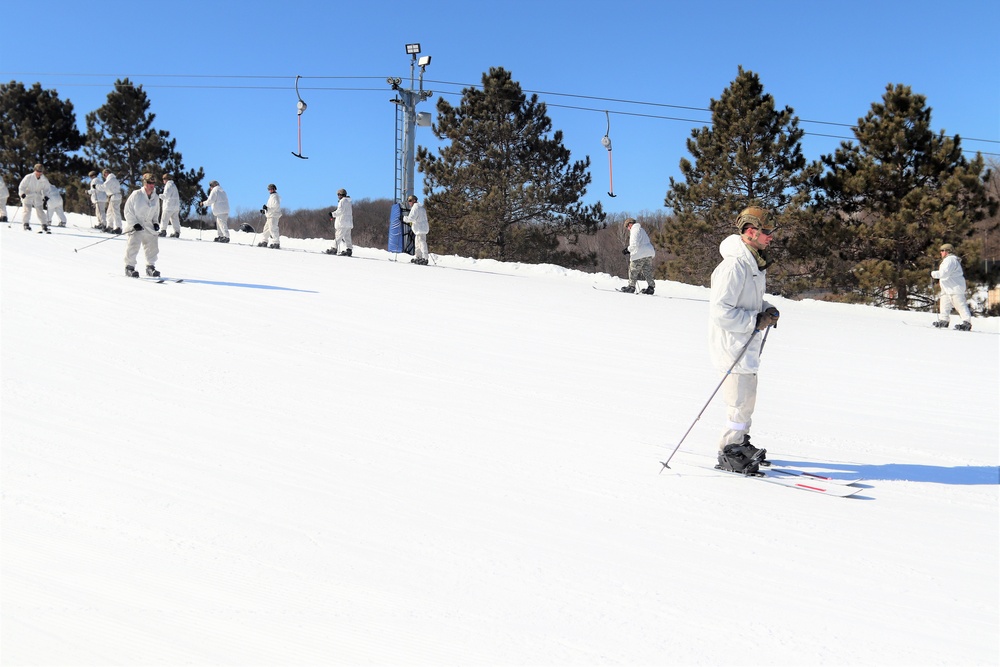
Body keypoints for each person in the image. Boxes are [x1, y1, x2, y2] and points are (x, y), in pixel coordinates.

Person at [709, 206, 781, 474]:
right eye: (767, 232)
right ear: (752, 232)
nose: (770, 237)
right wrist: (755, 321)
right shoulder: (734, 266)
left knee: (746, 401)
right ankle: (729, 450)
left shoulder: (752, 263)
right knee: (738, 403)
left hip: (745, 345)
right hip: (732, 347)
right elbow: (721, 312)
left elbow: (748, 301)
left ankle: (741, 442)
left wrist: (766, 309)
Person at [123, 173, 161, 278]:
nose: (151, 185)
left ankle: (150, 267)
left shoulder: (156, 197)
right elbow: (128, 210)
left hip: (149, 225)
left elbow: (156, 213)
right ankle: (129, 267)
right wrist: (134, 223)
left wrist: (155, 223)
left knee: (152, 245)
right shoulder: (137, 194)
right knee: (133, 244)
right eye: (149, 183)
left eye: (153, 183)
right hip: (136, 224)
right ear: (145, 183)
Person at [931, 243, 972, 331]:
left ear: (947, 251)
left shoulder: (950, 260)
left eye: (942, 251)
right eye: (941, 251)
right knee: (944, 305)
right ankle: (944, 320)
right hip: (947, 288)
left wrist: (933, 274)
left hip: (955, 288)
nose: (941, 253)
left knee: (960, 305)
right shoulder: (948, 260)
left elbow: (945, 273)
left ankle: (967, 322)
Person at [620, 218, 656, 294]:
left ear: (630, 224)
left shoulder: (634, 231)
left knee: (633, 270)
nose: (628, 229)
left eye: (627, 227)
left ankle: (631, 287)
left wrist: (627, 250)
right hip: (649, 253)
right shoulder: (641, 230)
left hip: (639, 254)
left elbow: (634, 245)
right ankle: (651, 287)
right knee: (647, 271)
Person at [18, 164, 52, 232]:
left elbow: (47, 189)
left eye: (41, 171)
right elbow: (22, 186)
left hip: (38, 196)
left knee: (40, 211)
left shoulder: (44, 179)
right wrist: (22, 193)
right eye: (38, 171)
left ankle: (44, 225)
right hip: (28, 195)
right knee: (27, 210)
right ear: (35, 170)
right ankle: (26, 224)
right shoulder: (29, 177)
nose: (39, 173)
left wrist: (46, 196)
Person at [325, 188, 353, 256]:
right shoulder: (349, 201)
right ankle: (349, 250)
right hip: (348, 222)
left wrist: (332, 214)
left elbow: (340, 211)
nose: (338, 196)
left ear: (340, 194)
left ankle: (334, 249)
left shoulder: (342, 201)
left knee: (338, 236)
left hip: (342, 222)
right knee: (347, 237)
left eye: (338, 194)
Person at [403, 194, 430, 265]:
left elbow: (411, 218)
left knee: (422, 243)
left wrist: (404, 218)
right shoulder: (421, 207)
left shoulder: (415, 208)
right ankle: (418, 257)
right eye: (408, 201)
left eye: (410, 200)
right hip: (421, 228)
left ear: (414, 200)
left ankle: (425, 257)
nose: (409, 202)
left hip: (420, 228)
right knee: (417, 243)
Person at [258, 183, 282, 249]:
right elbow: (270, 207)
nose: (270, 190)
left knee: (273, 229)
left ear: (274, 189)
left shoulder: (275, 197)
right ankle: (264, 241)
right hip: (270, 215)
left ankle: (276, 243)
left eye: (272, 189)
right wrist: (265, 211)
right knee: (266, 229)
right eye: (269, 189)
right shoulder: (271, 197)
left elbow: (276, 206)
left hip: (273, 216)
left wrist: (267, 208)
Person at [159, 173, 181, 238]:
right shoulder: (174, 185)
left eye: (163, 179)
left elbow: (166, 195)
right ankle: (177, 232)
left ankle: (163, 231)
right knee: (175, 219)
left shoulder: (168, 185)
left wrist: (158, 195)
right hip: (176, 206)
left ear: (166, 179)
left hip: (169, 206)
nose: (163, 181)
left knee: (164, 219)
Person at [102, 169, 123, 234]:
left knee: (115, 212)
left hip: (114, 197)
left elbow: (104, 186)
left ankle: (118, 227)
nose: (104, 176)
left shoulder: (110, 178)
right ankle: (110, 226)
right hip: (114, 197)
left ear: (106, 173)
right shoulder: (114, 179)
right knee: (109, 212)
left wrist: (96, 186)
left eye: (104, 174)